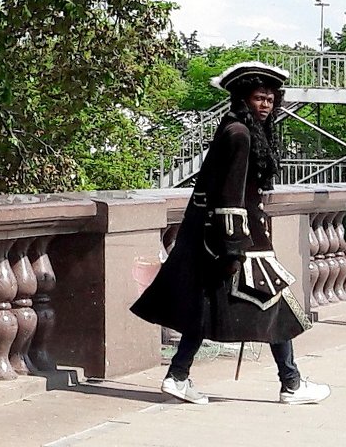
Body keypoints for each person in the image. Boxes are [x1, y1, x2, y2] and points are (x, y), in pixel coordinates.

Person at [131, 61, 330, 406]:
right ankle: (292, 384)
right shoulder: (238, 134)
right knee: (276, 304)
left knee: (204, 308)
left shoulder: (236, 130)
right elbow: (229, 197)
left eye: (270, 99)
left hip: (222, 241)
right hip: (240, 242)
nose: (265, 105)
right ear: (243, 99)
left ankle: (178, 375)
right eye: (258, 98)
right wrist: (234, 249)